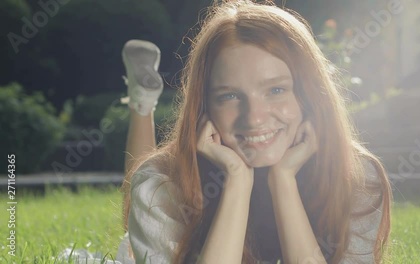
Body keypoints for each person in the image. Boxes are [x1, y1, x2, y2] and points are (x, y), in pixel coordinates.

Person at [117, 1, 392, 263]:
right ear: (204, 107)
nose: (255, 117)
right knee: (149, 183)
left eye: (275, 90)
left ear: (310, 96)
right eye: (230, 96)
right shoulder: (159, 184)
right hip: (162, 195)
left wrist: (283, 182)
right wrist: (236, 181)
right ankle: (142, 104)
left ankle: (143, 99)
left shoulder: (356, 175)